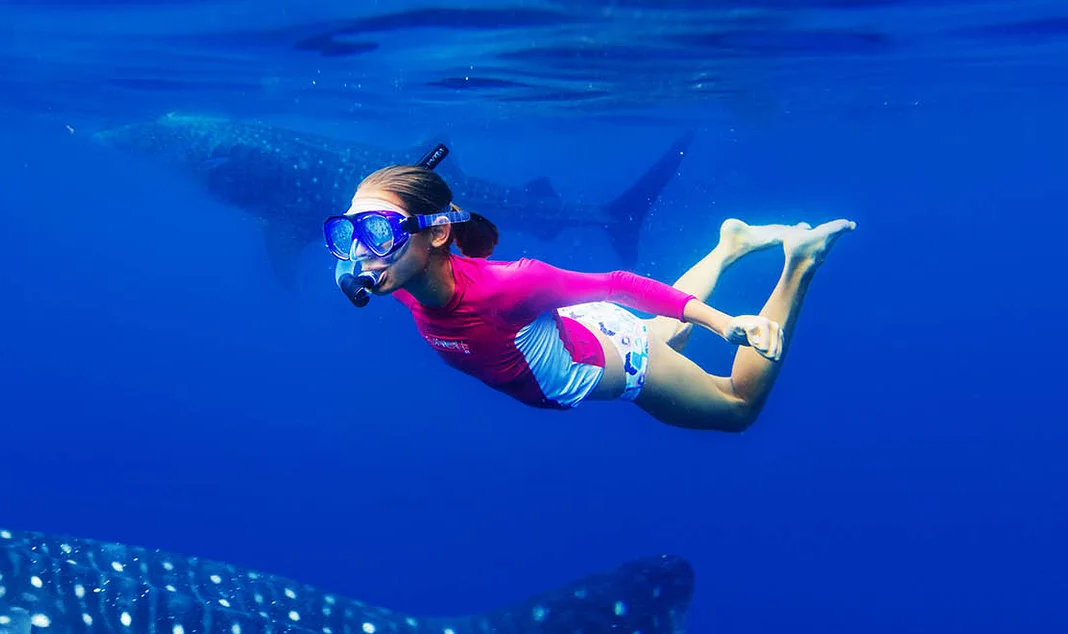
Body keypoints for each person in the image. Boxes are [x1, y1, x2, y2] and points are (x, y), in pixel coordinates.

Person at [326, 159, 853, 432]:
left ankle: (801, 259)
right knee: (665, 334)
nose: (361, 254)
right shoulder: (393, 277)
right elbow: (357, 262)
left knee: (736, 408)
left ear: (438, 233)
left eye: (378, 232)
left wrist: (724, 323)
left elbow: (618, 285)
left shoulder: (508, 285)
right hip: (580, 332)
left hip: (619, 358)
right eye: (349, 235)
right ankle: (729, 246)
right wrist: (376, 228)